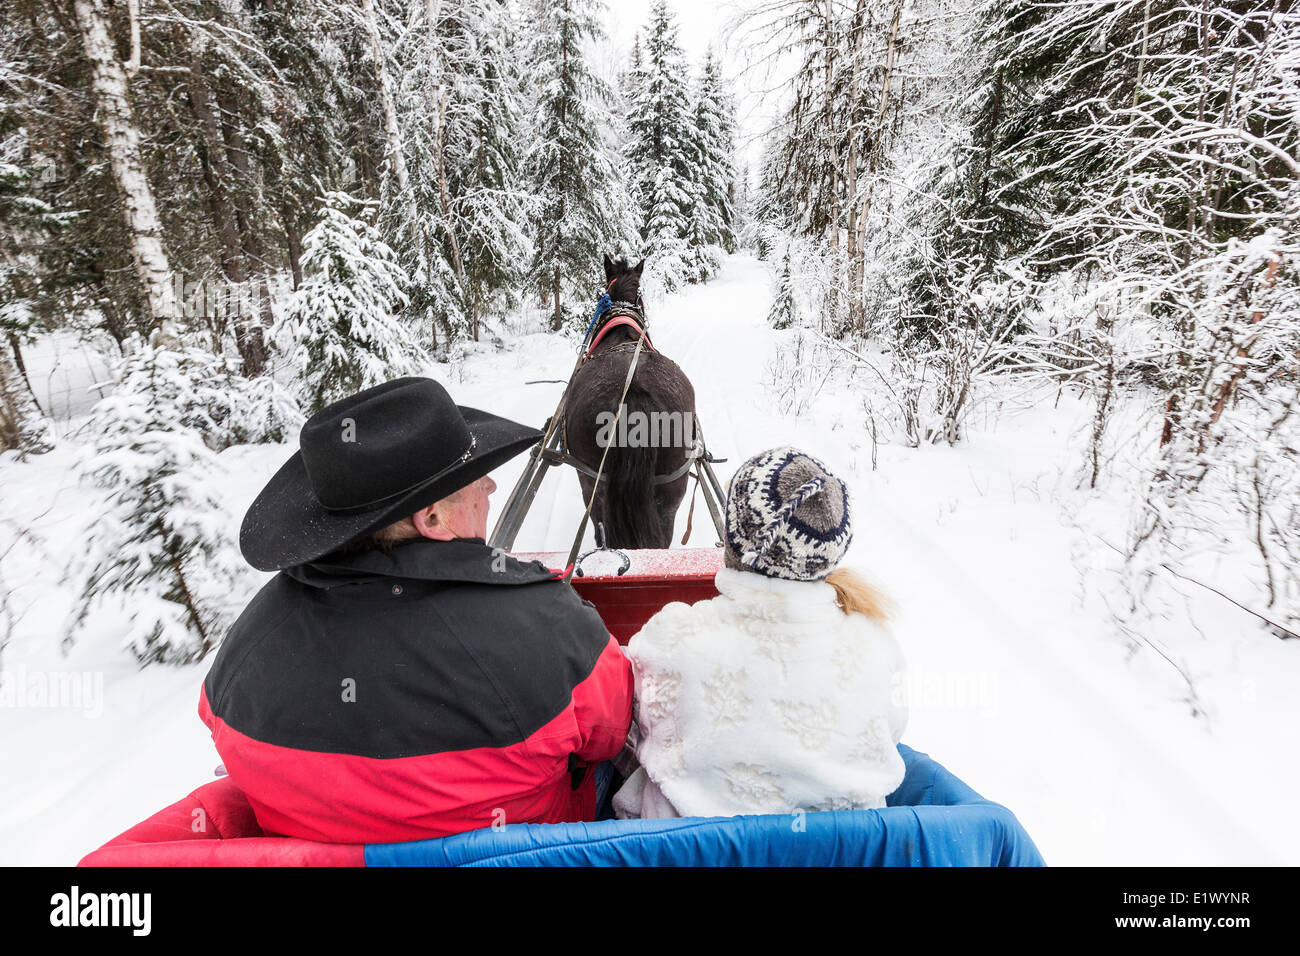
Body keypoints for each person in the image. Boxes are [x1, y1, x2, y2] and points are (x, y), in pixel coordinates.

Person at [199, 377, 633, 844]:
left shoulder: (241, 654)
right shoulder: (545, 622)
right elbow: (614, 726)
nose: (490, 486)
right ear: (431, 519)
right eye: (474, 480)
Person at [613, 446, 907, 819]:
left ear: (736, 539)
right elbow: (890, 735)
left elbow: (629, 734)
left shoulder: (672, 639)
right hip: (840, 852)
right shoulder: (876, 642)